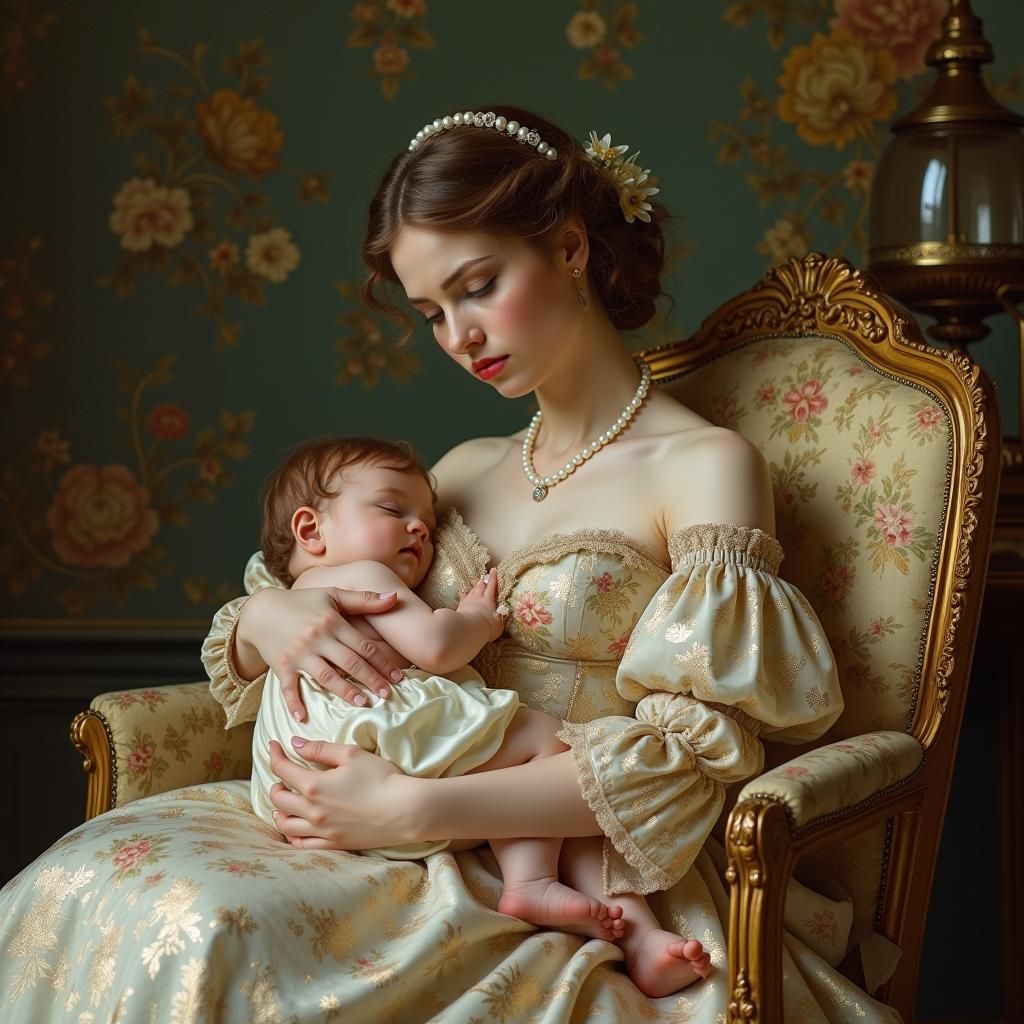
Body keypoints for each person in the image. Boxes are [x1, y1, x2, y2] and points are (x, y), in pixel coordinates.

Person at [0, 105, 902, 1022]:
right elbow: (341, 594)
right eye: (431, 311)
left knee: (230, 938)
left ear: (573, 248)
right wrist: (268, 619)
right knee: (100, 891)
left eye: (478, 286)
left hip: (587, 860)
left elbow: (687, 763)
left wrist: (412, 812)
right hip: (387, 827)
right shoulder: (462, 470)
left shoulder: (706, 467)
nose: (458, 338)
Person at [250, 433, 714, 985]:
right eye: (392, 509)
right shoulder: (364, 577)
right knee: (559, 745)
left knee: (546, 777)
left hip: (300, 787)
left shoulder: (296, 599)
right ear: (310, 530)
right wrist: (476, 619)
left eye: (424, 517)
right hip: (387, 746)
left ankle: (632, 935)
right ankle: (542, 886)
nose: (419, 527)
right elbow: (436, 648)